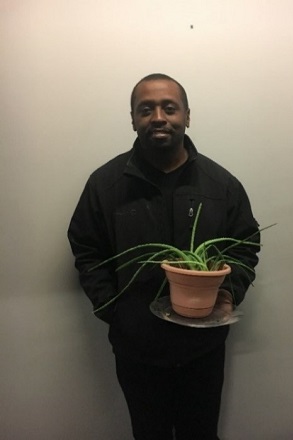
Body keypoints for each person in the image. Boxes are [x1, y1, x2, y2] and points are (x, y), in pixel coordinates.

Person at [68, 73, 260, 440]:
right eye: (146, 109)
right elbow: (86, 248)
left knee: (200, 434)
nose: (158, 117)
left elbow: (245, 245)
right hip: (136, 348)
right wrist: (113, 310)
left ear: (187, 116)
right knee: (148, 433)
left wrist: (227, 294)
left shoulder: (221, 185)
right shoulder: (105, 184)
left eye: (169, 108)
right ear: (133, 119)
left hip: (203, 349)